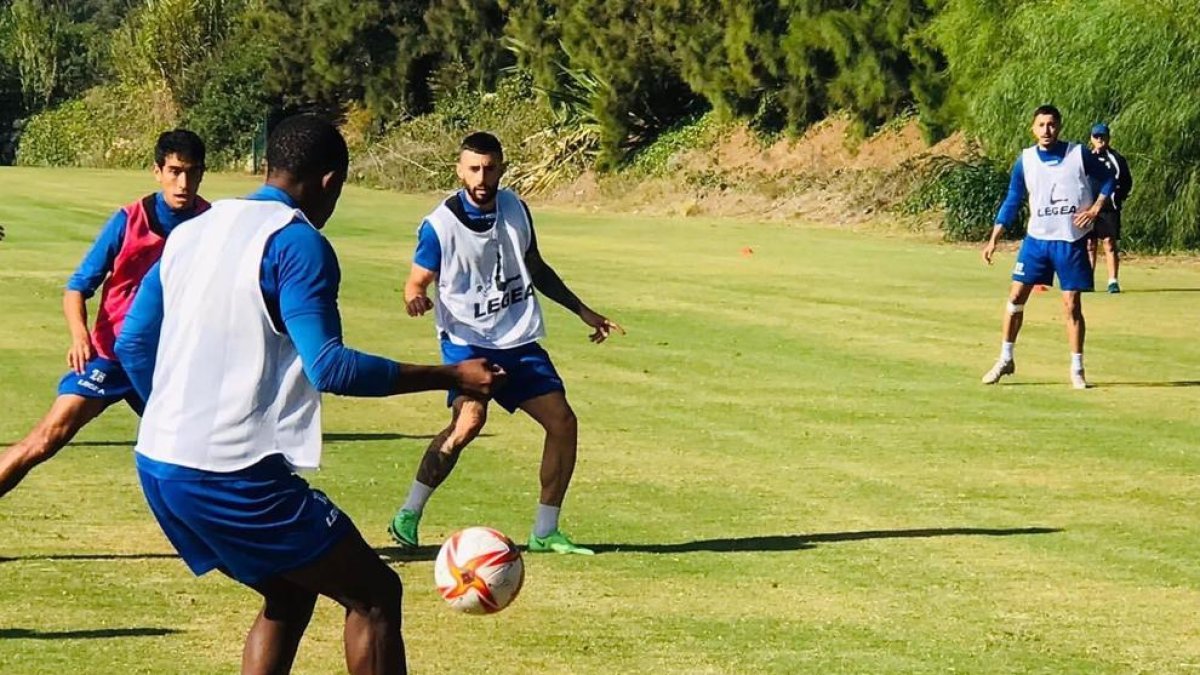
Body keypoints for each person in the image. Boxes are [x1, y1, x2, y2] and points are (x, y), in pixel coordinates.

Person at [114, 115, 502, 675]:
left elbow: (131, 344)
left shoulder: (192, 230)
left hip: (157, 463)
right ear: (330, 182)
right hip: (231, 475)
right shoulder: (298, 243)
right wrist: (453, 376)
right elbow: (332, 367)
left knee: (291, 593)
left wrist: (174, 418)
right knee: (374, 594)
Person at [388, 132, 622, 556]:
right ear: (459, 170)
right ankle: (409, 512)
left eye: (490, 167)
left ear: (501, 167)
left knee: (563, 423)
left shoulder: (515, 208)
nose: (481, 177)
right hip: (467, 343)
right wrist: (414, 298)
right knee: (468, 423)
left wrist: (583, 311)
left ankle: (545, 530)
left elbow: (535, 267)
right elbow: (416, 279)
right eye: (473, 168)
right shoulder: (438, 226)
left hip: (517, 338)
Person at [0, 130, 208, 498]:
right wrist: (80, 336)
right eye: (175, 171)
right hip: (109, 356)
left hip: (169, 365)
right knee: (46, 437)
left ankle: (236, 549)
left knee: (206, 458)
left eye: (192, 173)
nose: (184, 183)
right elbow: (77, 287)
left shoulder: (211, 224)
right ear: (156, 171)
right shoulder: (128, 220)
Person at [981, 105, 1116, 389]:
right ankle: (1005, 357)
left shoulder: (1078, 154)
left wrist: (1095, 209)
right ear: (1033, 128)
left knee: (1071, 305)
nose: (1046, 130)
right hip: (1037, 241)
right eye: (1041, 125)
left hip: (1071, 240)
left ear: (1059, 127)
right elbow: (1013, 199)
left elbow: (1108, 179)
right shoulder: (1026, 160)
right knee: (1016, 295)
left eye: (1052, 124)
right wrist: (995, 237)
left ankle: (1077, 369)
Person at [1086, 123, 1133, 293]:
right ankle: (1088, 280)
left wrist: (1116, 198)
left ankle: (1112, 281)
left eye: (1103, 137)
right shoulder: (1086, 157)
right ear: (1091, 138)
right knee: (1090, 244)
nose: (1100, 140)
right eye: (1096, 137)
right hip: (1088, 208)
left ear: (1108, 138)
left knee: (1109, 243)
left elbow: (1126, 182)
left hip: (1108, 209)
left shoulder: (1116, 159)